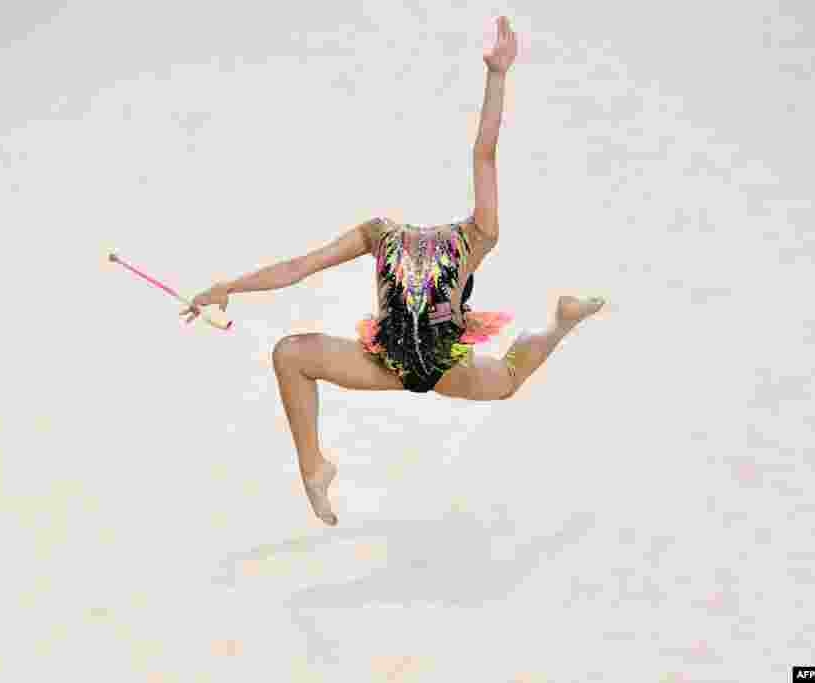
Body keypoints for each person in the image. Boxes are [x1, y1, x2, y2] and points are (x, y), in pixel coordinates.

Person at [180, 16, 605, 525]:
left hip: (426, 363)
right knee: (508, 376)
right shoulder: (469, 238)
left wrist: (227, 286)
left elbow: (299, 267)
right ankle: (315, 469)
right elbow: (484, 156)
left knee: (291, 356)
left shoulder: (388, 234)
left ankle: (563, 321)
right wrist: (228, 286)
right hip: (406, 363)